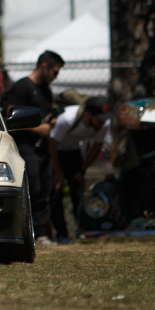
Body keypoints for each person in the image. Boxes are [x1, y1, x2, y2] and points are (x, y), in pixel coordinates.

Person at [0, 50, 65, 246]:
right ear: (44, 66)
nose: (55, 77)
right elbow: (10, 114)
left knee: (44, 188)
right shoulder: (22, 87)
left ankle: (40, 233)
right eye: (55, 72)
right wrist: (37, 128)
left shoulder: (46, 90)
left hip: (42, 148)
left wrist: (49, 123)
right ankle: (26, 232)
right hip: (25, 146)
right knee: (33, 187)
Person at [49, 95, 110, 242]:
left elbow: (96, 147)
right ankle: (62, 234)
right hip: (54, 152)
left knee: (78, 189)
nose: (102, 123)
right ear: (88, 114)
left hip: (73, 151)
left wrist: (81, 170)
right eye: (99, 119)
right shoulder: (67, 119)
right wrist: (58, 172)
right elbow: (51, 144)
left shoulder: (104, 124)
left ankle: (83, 229)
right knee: (56, 192)